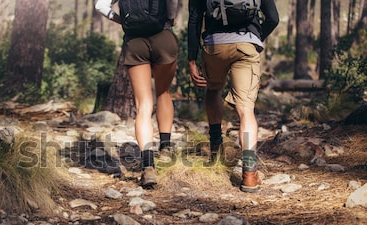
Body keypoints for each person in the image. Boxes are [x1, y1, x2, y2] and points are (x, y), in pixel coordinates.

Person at [187, 0, 279, 192]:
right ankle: (249, 174)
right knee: (246, 110)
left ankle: (216, 151)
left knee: (213, 90)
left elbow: (195, 18)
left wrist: (191, 58)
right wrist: (255, 37)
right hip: (246, 45)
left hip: (214, 46)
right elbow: (273, 18)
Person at [95, 0, 179, 188]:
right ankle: (165, 147)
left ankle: (148, 166)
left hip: (134, 41)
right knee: (163, 92)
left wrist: (121, 21)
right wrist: (171, 19)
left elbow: (100, 6)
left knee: (143, 106)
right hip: (163, 36)